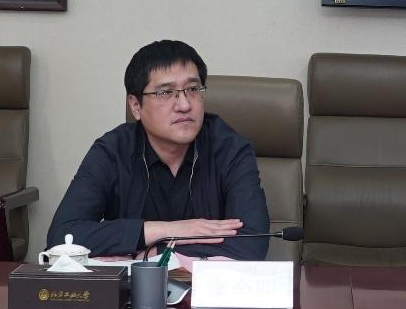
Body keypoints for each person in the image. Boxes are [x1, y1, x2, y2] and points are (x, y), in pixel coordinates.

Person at [46, 39, 270, 259]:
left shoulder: (231, 149)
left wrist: (143, 254)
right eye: (165, 93)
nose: (184, 105)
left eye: (193, 89)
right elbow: (61, 238)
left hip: (206, 284)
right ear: (136, 106)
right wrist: (167, 230)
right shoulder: (112, 151)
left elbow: (252, 245)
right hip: (132, 285)